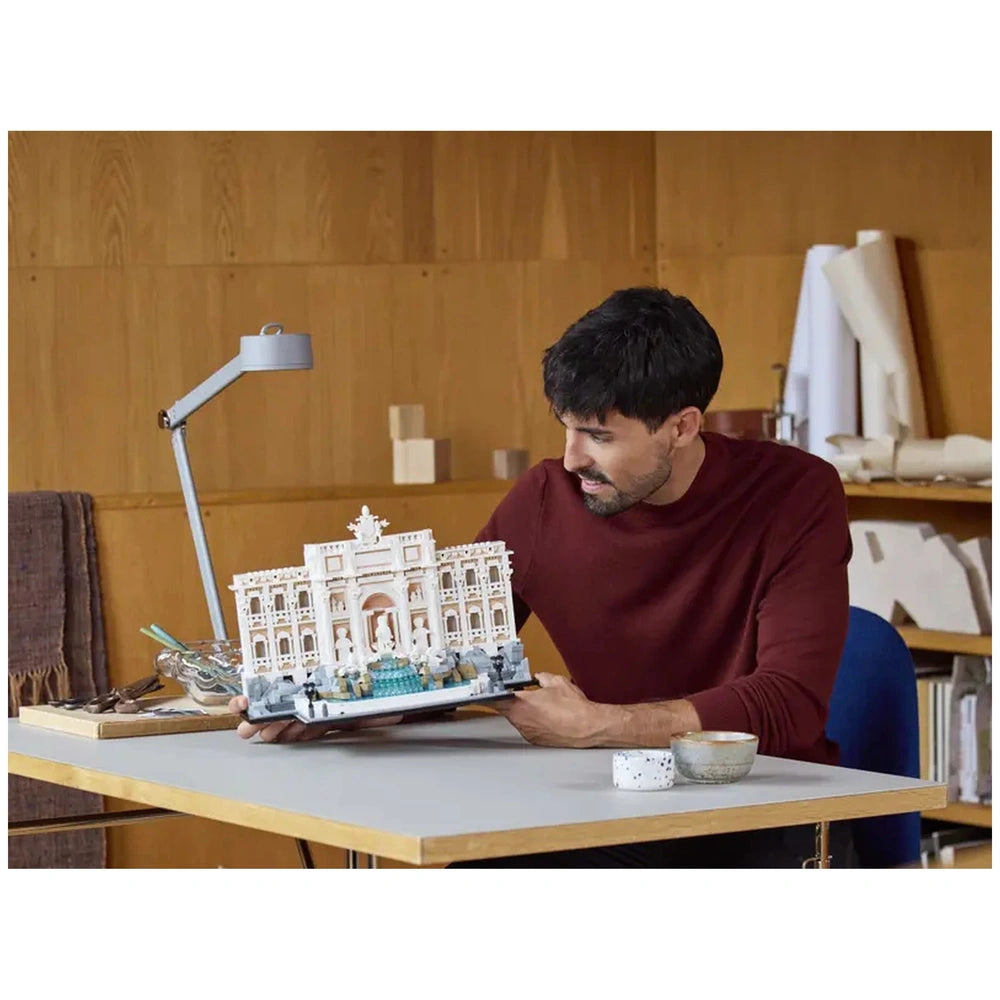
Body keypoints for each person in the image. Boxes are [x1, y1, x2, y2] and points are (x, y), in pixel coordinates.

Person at [229, 285, 854, 867]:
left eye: (598, 435)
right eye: (567, 427)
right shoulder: (544, 500)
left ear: (683, 426)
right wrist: (338, 709)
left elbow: (789, 703)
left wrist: (601, 724)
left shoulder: (794, 493)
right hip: (607, 810)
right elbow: (444, 657)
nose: (572, 457)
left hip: (762, 818)